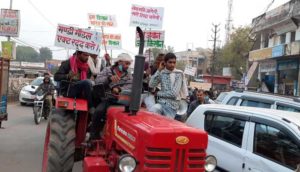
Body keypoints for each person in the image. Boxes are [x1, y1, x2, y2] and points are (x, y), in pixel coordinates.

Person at [89, 53, 133, 140]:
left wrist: (120, 89)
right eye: (126, 63)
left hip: (121, 101)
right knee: (99, 111)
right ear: (119, 62)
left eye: (129, 64)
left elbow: (130, 85)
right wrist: (109, 79)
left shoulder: (128, 74)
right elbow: (98, 81)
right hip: (108, 99)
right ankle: (93, 135)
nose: (128, 66)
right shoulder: (107, 70)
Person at [149, 53, 188, 119]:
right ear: (165, 62)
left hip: (172, 106)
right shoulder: (161, 73)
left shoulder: (178, 74)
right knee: (153, 111)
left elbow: (174, 94)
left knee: (165, 126)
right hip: (161, 103)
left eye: (174, 62)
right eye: (170, 62)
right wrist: (159, 70)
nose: (172, 64)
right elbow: (151, 84)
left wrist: (158, 93)